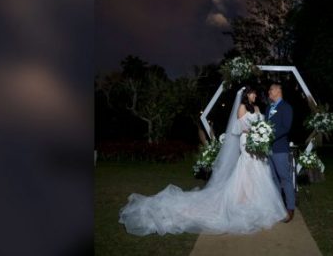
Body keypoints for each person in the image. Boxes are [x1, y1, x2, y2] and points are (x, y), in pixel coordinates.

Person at [118, 86, 287, 235]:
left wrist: (261, 133)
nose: (255, 96)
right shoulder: (242, 107)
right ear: (246, 95)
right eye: (253, 94)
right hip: (247, 142)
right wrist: (255, 133)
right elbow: (239, 127)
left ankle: (255, 202)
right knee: (247, 171)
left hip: (258, 145)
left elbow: (262, 124)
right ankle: (242, 201)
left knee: (259, 172)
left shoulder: (257, 107)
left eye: (255, 94)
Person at [266, 83, 295, 223]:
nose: (269, 92)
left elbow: (285, 127)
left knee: (285, 179)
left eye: (271, 89)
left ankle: (290, 209)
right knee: (273, 179)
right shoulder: (268, 108)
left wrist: (268, 136)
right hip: (268, 150)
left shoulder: (286, 107)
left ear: (278, 91)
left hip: (280, 149)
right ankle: (278, 207)